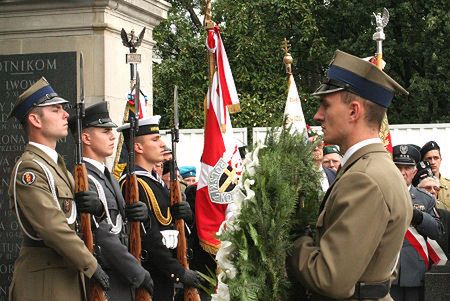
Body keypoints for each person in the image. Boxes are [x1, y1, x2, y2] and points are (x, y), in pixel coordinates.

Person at [288, 50, 412, 300]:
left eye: (326, 105)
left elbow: (329, 279)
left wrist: (293, 242)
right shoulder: (373, 168)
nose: (317, 115)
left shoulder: (364, 178)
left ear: (354, 111)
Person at [7, 77, 109, 301]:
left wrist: (98, 208)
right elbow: (52, 227)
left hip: (67, 275)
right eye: (56, 110)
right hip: (45, 283)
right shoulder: (30, 168)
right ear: (35, 119)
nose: (65, 115)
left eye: (63, 109)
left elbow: (76, 218)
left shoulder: (57, 166)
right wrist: (90, 264)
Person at [68, 102, 154, 300]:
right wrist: (137, 273)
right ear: (85, 137)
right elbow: (102, 235)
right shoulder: (85, 179)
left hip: (123, 275)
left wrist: (143, 219)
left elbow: (121, 226)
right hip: (108, 274)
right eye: (105, 131)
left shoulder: (108, 177)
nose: (113, 136)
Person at [117, 116, 201, 301]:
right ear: (138, 147)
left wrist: (187, 218)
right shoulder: (133, 184)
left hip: (165, 275)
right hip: (152, 274)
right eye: (155, 140)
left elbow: (171, 227)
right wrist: (177, 272)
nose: (162, 144)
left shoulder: (155, 183)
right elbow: (148, 238)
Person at [390, 144, 444, 301]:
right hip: (386, 270)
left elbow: (438, 231)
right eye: (398, 167)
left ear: (414, 171)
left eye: (407, 168)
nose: (402, 172)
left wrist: (419, 217)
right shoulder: (379, 195)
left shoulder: (425, 198)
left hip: (415, 271)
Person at [420, 141, 450, 210]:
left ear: (441, 160)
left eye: (436, 158)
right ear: (422, 161)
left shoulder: (449, 185)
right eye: (429, 158)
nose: (433, 162)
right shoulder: (418, 187)